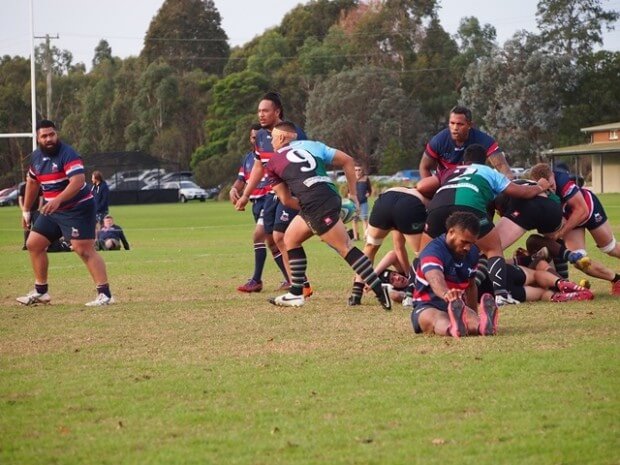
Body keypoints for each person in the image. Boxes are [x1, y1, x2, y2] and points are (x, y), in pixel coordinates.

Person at [263, 121, 391, 310]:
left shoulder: (273, 162)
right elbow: (348, 160)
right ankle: (296, 293)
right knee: (290, 238)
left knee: (345, 247)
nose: (271, 142)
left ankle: (380, 291)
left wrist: (314, 207)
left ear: (281, 137)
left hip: (315, 202)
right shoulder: (313, 145)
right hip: (330, 195)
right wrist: (353, 194)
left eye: (272, 138)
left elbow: (286, 200)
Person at [418, 144, 551, 305]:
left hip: (437, 207)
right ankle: (501, 295)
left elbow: (422, 185)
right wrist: (540, 187)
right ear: (484, 161)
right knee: (493, 248)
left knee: (424, 253)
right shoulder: (488, 171)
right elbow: (521, 192)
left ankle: (411, 295)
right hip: (469, 204)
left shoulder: (450, 170)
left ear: (464, 161)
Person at [17, 119, 115, 306]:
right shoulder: (36, 158)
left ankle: (105, 295)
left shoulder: (68, 154)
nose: (49, 139)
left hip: (78, 208)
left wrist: (57, 200)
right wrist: (27, 211)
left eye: (52, 134)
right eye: (44, 136)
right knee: (34, 244)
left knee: (83, 249)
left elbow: (78, 181)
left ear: (57, 134)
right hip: (54, 209)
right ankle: (41, 291)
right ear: (38, 138)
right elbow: (32, 182)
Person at [235, 92, 312, 296]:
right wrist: (245, 195)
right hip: (272, 194)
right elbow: (259, 167)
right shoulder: (260, 136)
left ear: (277, 111)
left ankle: (300, 285)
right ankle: (295, 283)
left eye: (265, 111)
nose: (261, 115)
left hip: (292, 192)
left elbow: (304, 162)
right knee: (268, 238)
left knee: (280, 236)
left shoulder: (293, 133)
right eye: (259, 111)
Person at [529, 163, 620, 295]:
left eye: (552, 186)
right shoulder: (536, 190)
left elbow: (582, 211)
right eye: (547, 189)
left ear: (553, 176)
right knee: (579, 261)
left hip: (589, 209)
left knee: (610, 248)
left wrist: (561, 232)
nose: (551, 190)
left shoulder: (562, 180)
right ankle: (616, 279)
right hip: (570, 220)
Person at [411, 211, 498, 338]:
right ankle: (455, 327)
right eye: (464, 242)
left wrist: (473, 312)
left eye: (471, 243)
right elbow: (435, 277)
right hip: (428, 304)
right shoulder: (433, 251)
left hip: (458, 306)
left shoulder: (472, 252)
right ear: (451, 232)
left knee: (472, 318)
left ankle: (483, 326)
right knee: (437, 317)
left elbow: (471, 286)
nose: (467, 248)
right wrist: (446, 293)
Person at [230, 123, 289, 292]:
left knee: (258, 236)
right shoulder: (249, 158)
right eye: (253, 137)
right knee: (271, 242)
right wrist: (235, 189)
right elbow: (241, 179)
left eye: (258, 136)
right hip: (255, 203)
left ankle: (256, 280)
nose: (255, 139)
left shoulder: (272, 153)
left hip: (268, 198)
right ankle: (290, 278)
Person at [347, 187, 428, 306]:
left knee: (370, 247)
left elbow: (398, 247)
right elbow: (398, 248)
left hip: (385, 200)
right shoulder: (424, 194)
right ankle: (410, 295)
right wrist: (409, 277)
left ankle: (356, 293)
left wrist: (407, 275)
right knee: (423, 253)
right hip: (410, 203)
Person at [419, 105, 513, 179]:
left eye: (460, 124)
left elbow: (503, 167)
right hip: (445, 181)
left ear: (470, 125)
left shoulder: (484, 140)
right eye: (452, 123)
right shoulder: (438, 141)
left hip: (473, 181)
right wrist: (431, 194)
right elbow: (424, 167)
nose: (455, 128)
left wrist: (508, 189)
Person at [18, 174, 43, 250]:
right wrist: (23, 209)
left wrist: (39, 208)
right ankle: (26, 244)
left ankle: (37, 244)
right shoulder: (23, 187)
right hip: (27, 211)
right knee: (26, 227)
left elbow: (41, 198)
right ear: (26, 178)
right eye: (28, 177)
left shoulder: (38, 186)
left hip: (36, 210)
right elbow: (20, 199)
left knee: (37, 227)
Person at [350, 164, 372, 241]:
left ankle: (365, 236)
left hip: (364, 202)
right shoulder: (351, 178)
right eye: (356, 170)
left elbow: (369, 189)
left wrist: (368, 193)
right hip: (354, 203)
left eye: (359, 170)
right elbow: (348, 190)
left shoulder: (365, 178)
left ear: (362, 170)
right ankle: (356, 237)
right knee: (354, 220)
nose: (358, 171)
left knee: (364, 219)